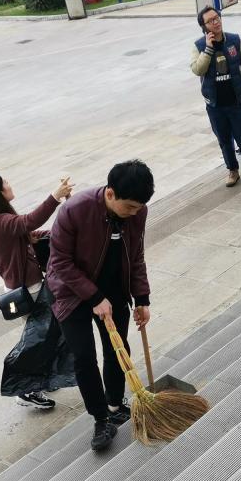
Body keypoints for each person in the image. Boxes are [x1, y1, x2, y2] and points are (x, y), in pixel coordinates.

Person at [47, 160, 153, 451]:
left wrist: (142, 298)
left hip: (113, 288)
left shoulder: (137, 212)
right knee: (84, 357)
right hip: (70, 292)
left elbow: (136, 254)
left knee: (117, 348)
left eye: (139, 208)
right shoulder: (74, 211)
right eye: (129, 207)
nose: (134, 213)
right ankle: (101, 418)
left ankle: (115, 403)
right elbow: (60, 263)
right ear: (110, 194)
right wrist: (94, 298)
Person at [0, 171, 75, 409]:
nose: (9, 184)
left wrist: (58, 233)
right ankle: (26, 389)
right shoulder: (0, 222)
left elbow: (29, 233)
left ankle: (40, 379)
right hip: (28, 290)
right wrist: (55, 196)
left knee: (44, 336)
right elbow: (30, 221)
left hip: (28, 286)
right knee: (38, 340)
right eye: (5, 183)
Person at [190, 6, 241, 188]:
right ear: (204, 26)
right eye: (210, 21)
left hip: (235, 101)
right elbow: (198, 69)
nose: (216, 22)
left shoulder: (235, 40)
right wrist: (208, 49)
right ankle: (232, 170)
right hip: (214, 105)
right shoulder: (199, 46)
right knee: (224, 140)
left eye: (217, 18)